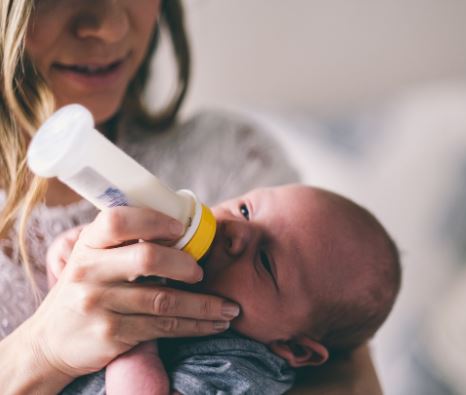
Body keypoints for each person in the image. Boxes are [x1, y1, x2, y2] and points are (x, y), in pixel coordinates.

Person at [0, 0, 383, 393]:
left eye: (266, 262)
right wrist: (43, 349)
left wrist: (134, 342)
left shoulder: (231, 160)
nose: (112, 27)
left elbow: (350, 375)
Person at [45, 184, 402, 394]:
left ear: (293, 347)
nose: (237, 231)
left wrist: (136, 339)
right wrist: (70, 265)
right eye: (246, 209)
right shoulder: (167, 263)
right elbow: (74, 323)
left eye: (265, 262)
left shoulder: (241, 368)